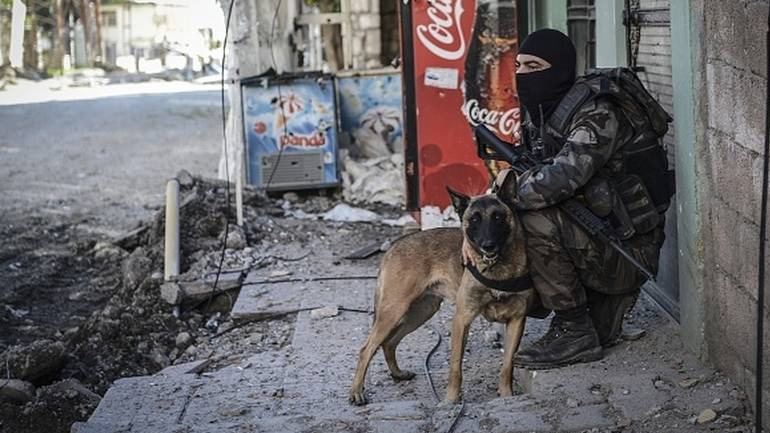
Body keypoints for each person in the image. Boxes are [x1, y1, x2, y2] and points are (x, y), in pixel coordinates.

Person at [463, 29, 667, 369]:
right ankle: (584, 312)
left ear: (558, 68)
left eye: (533, 65)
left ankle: (575, 329)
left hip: (628, 249)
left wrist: (506, 192)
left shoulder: (598, 113)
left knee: (529, 219)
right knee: (508, 219)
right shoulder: (542, 115)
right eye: (519, 65)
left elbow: (561, 178)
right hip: (596, 236)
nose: (523, 74)